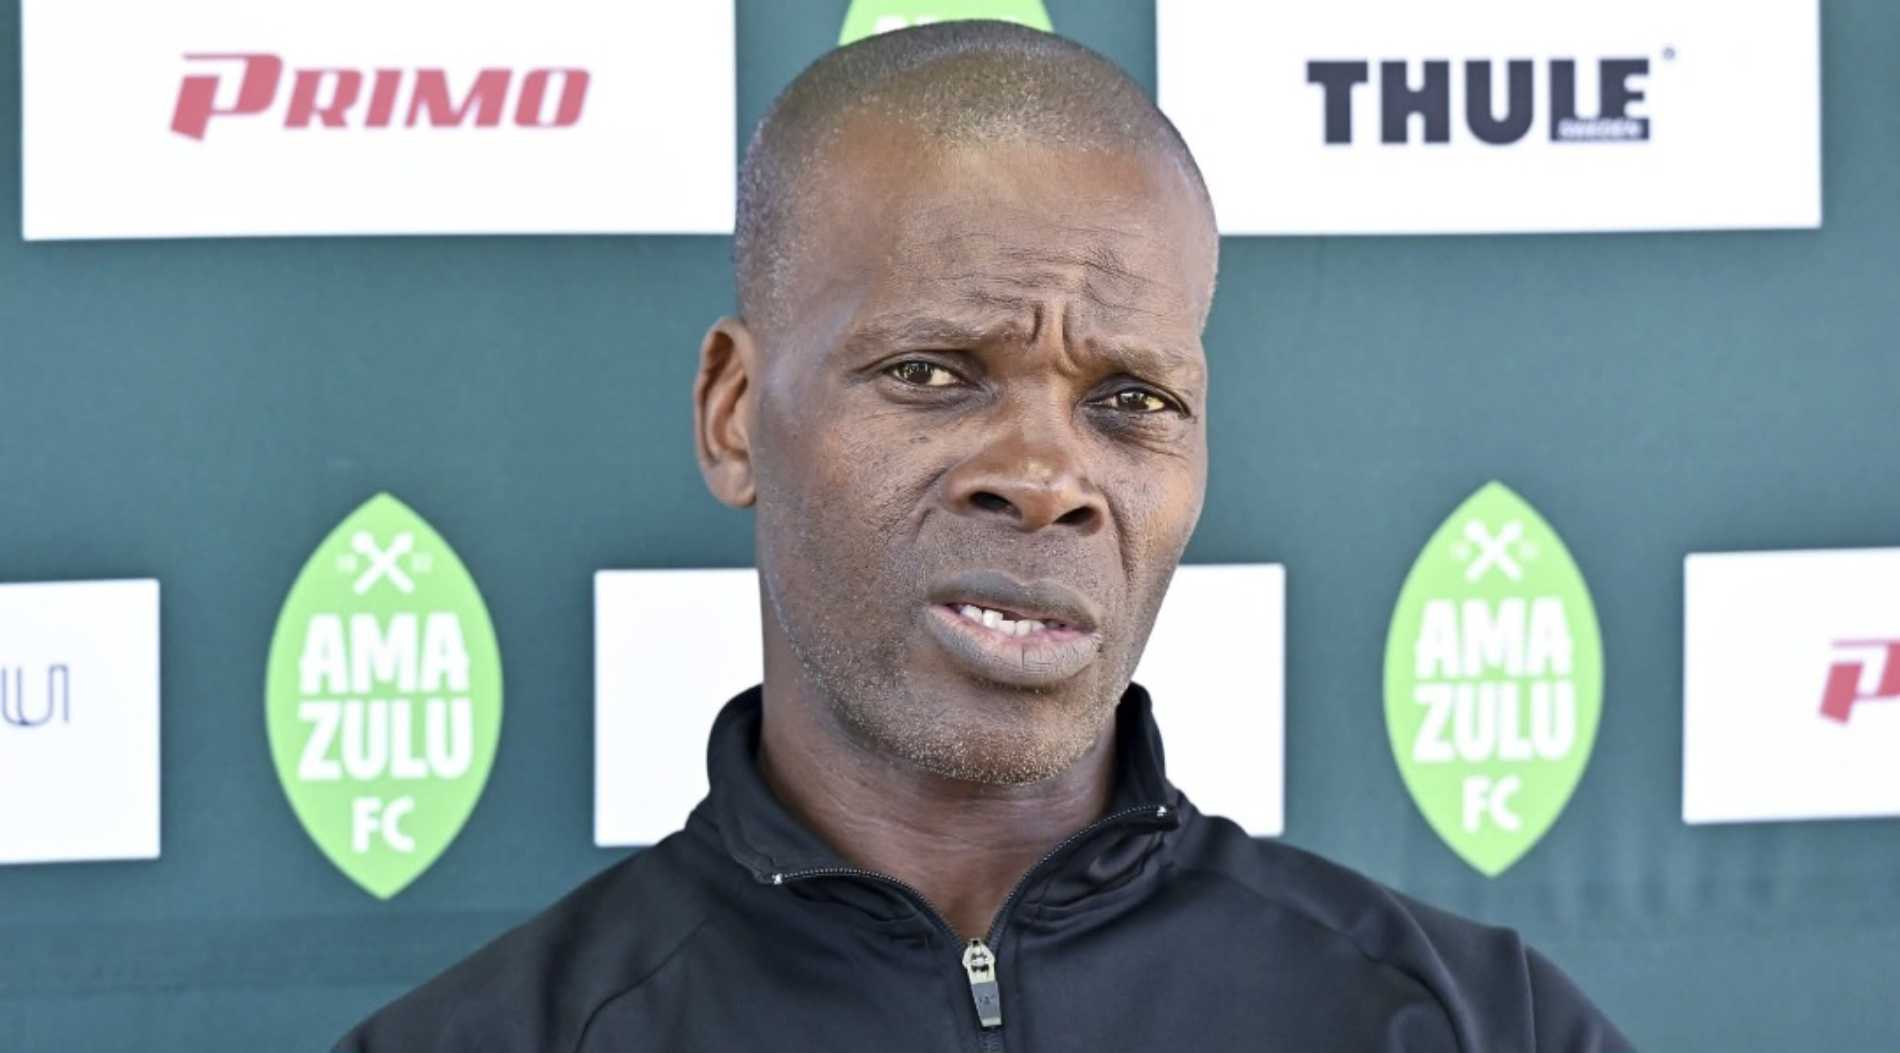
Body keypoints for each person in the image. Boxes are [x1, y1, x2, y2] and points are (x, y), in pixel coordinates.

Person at [339, 21, 1630, 1052]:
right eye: (931, 372)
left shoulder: (1472, 1022)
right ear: (735, 414)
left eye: (1133, 400)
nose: (1047, 478)